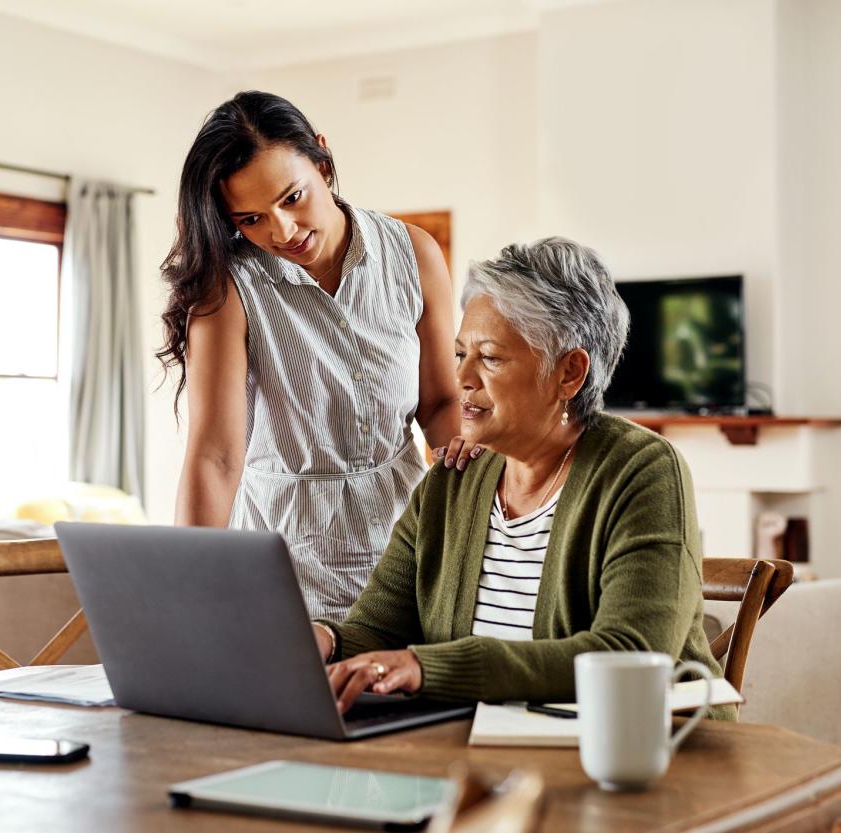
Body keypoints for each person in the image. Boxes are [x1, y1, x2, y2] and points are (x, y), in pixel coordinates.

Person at [311, 236, 734, 719]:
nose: (462, 378)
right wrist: (325, 639)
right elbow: (378, 629)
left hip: (639, 752)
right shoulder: (452, 478)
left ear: (569, 373)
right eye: (460, 354)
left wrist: (427, 667)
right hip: (479, 749)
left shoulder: (643, 471)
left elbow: (632, 654)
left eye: (490, 357)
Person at [159, 91, 478, 619]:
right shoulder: (228, 290)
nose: (282, 232)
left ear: (323, 164)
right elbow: (215, 456)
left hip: (403, 560)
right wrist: (189, 593)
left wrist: (478, 499)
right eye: (250, 219)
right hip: (282, 572)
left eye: (291, 198)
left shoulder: (413, 254)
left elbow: (441, 401)